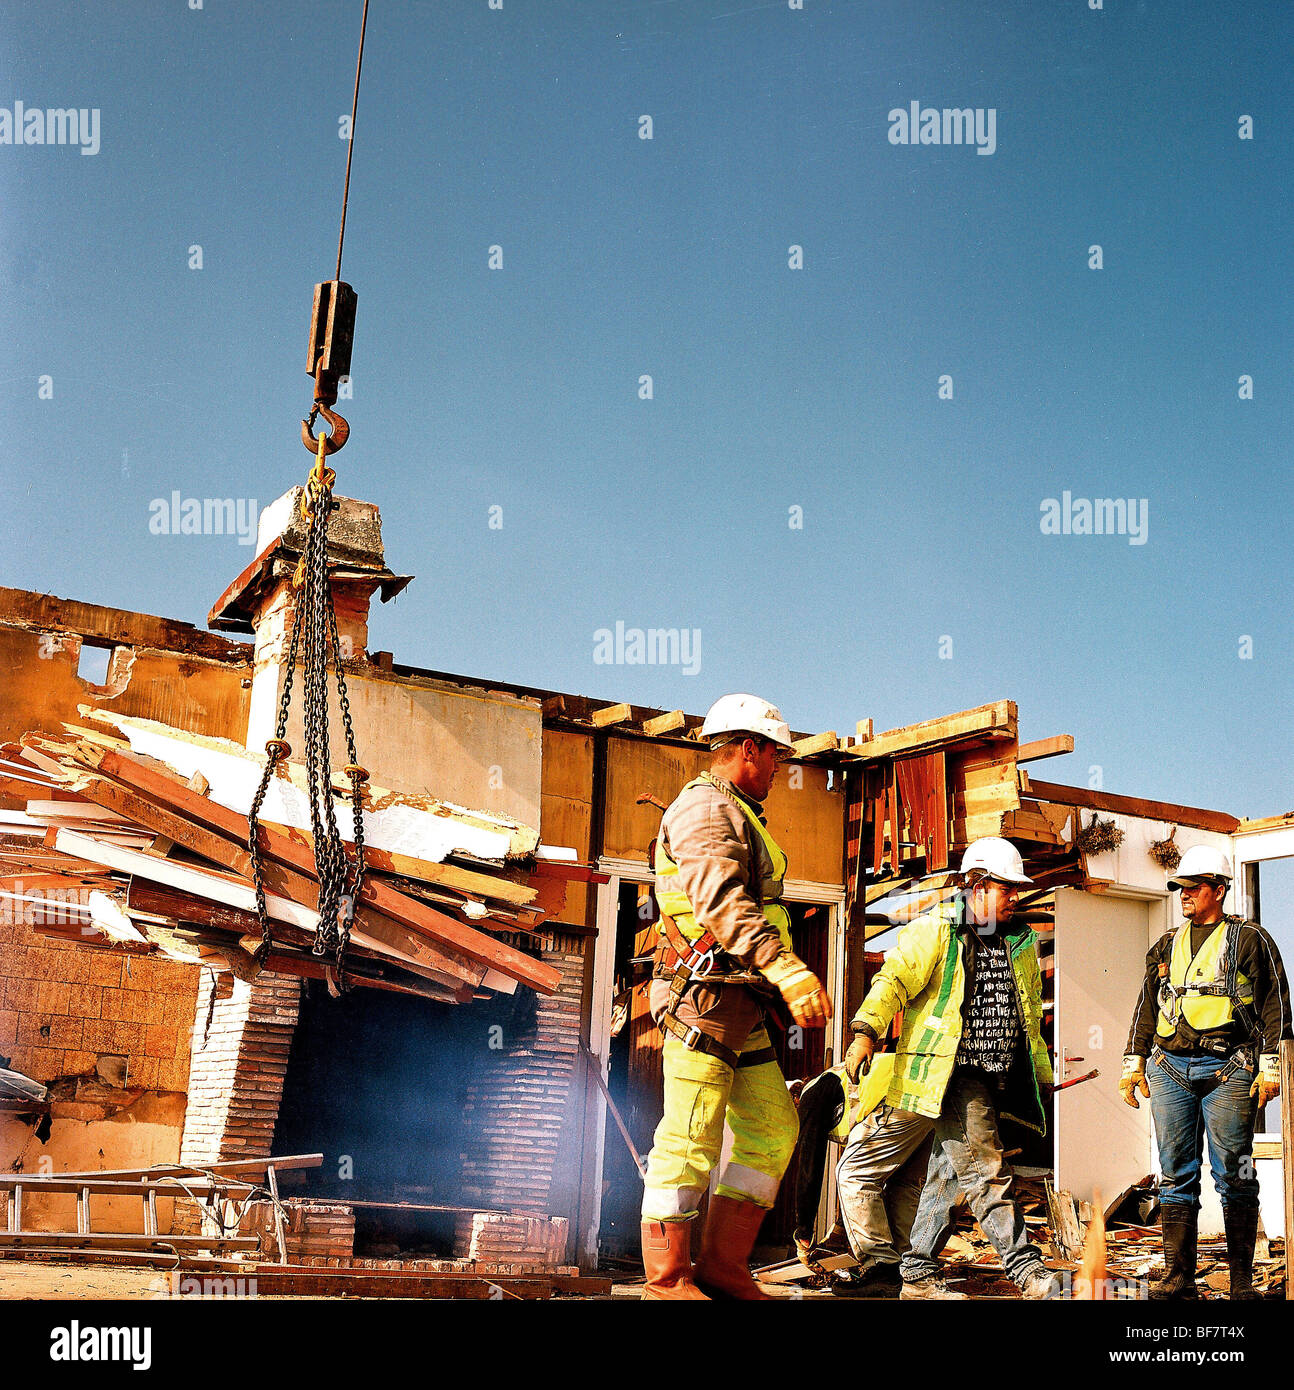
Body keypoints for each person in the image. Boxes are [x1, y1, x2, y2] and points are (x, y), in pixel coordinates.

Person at [639, 693, 832, 1300]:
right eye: (776, 754)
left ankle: (722, 1266)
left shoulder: (736, 810)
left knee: (774, 1127)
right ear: (750, 748)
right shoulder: (703, 809)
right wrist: (787, 969)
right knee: (690, 1134)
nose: (780, 766)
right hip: (702, 998)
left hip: (737, 1004)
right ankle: (667, 1281)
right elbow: (722, 902)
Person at [844, 836, 1058, 1300]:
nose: (1016, 897)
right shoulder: (937, 930)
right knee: (986, 1168)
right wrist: (865, 1031)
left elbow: (1028, 1017)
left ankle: (917, 1271)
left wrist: (1039, 1075)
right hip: (949, 1070)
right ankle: (1026, 1269)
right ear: (976, 886)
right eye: (1007, 888)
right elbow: (894, 978)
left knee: (945, 1172)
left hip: (990, 1073)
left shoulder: (1018, 941)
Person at [1120, 844, 1291, 1300]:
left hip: (1229, 1068)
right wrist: (1131, 1063)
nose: (1184, 894)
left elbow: (1276, 1007)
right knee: (1176, 1175)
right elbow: (1146, 1007)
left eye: (1193, 887)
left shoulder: (1251, 939)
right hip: (1169, 1067)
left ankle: (1239, 1284)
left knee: (1235, 1174)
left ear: (1219, 890)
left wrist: (1271, 1065)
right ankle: (1177, 1280)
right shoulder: (1165, 945)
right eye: (1180, 887)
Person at [791, 1055, 937, 1297]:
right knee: (903, 1184)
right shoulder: (833, 1084)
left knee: (851, 1174)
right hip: (929, 1095)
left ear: (793, 1102)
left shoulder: (809, 1095)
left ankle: (881, 1267)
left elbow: (810, 1167)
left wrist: (803, 1233)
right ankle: (902, 1269)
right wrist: (840, 1228)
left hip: (898, 1094)